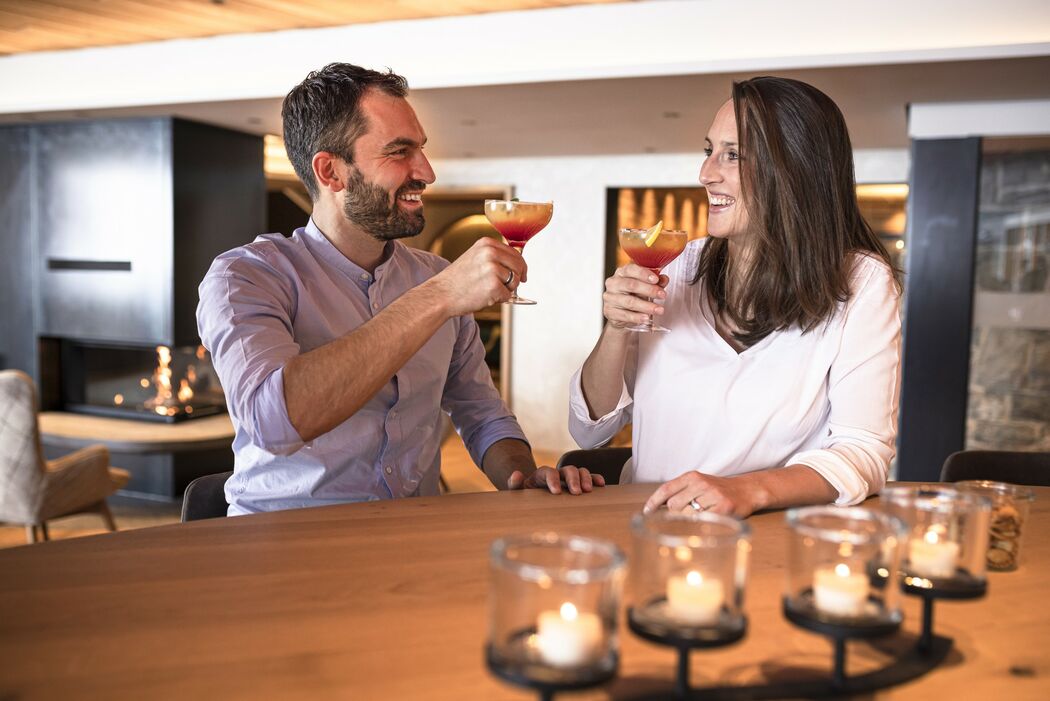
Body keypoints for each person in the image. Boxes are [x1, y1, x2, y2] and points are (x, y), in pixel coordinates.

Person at [198, 63, 601, 515]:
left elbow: (481, 412)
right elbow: (275, 422)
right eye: (399, 152)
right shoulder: (245, 277)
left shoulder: (435, 273)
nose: (426, 172)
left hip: (412, 536)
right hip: (282, 542)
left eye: (422, 150)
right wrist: (438, 297)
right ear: (331, 172)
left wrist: (521, 474)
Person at [569, 76, 901, 518]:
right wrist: (617, 328)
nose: (706, 174)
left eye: (733, 155)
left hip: (768, 540)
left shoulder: (862, 282)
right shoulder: (676, 267)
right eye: (709, 151)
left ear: (796, 169)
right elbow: (589, 432)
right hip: (649, 524)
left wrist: (747, 491)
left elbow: (863, 450)